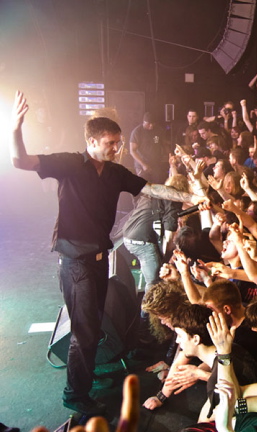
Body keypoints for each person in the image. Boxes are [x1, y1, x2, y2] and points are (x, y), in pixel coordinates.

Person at [9, 91, 203, 416]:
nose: (117, 148)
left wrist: (190, 196)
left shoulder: (115, 173)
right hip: (76, 263)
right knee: (84, 334)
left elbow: (152, 188)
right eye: (111, 143)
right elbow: (21, 162)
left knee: (94, 328)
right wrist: (15, 128)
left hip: (100, 260)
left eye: (119, 142)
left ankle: (84, 379)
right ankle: (76, 395)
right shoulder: (70, 162)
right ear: (93, 140)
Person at [129, 112, 169, 183]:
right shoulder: (137, 132)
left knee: (157, 186)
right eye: (148, 124)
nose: (151, 126)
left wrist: (170, 156)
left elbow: (165, 145)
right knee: (145, 187)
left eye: (153, 123)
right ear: (144, 122)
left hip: (156, 164)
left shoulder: (159, 130)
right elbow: (132, 151)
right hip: (142, 165)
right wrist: (143, 164)